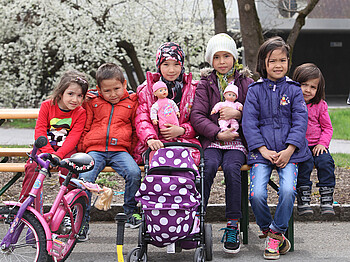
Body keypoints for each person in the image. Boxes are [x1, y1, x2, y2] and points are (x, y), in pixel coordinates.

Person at [242, 36, 312, 260]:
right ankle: (271, 231)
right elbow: (249, 123)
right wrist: (262, 150)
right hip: (260, 153)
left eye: (283, 60)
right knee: (257, 194)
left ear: (288, 62)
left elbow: (301, 121)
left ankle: (274, 235)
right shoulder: (254, 90)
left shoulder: (293, 90)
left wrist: (290, 149)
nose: (278, 65)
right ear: (263, 63)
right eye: (272, 61)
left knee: (288, 190)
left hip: (289, 153)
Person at [190, 33, 254, 254]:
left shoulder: (246, 82)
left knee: (232, 169)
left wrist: (239, 115)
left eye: (226, 56)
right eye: (217, 57)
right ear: (211, 60)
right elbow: (197, 116)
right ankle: (196, 219)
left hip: (237, 142)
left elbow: (256, 113)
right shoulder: (204, 84)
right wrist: (217, 133)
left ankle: (232, 224)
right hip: (213, 141)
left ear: (234, 57)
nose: (222, 61)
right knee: (206, 168)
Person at [78, 63, 141, 241]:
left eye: (116, 88)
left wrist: (134, 151)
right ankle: (82, 222)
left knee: (134, 172)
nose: (113, 94)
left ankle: (130, 212)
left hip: (120, 150)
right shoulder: (93, 103)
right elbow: (85, 125)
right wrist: (84, 147)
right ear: (99, 89)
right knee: (86, 179)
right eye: (107, 91)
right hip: (95, 150)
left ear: (124, 84)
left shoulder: (132, 102)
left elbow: (136, 129)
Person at [19, 70, 89, 202]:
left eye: (80, 95)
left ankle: (70, 206)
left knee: (70, 168)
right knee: (33, 166)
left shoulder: (80, 113)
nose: (75, 99)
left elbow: (73, 138)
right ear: (61, 92)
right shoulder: (47, 106)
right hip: (45, 148)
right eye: (70, 94)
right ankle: (24, 206)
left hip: (66, 150)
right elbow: (40, 131)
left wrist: (58, 156)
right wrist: (50, 154)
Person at [133, 42, 201, 164]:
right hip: (156, 142)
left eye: (176, 64)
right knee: (159, 160)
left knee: (187, 161)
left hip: (184, 141)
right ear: (159, 65)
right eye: (166, 64)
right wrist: (150, 138)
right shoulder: (147, 90)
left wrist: (183, 130)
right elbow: (142, 119)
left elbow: (199, 119)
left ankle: (184, 183)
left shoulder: (192, 89)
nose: (171, 70)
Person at [293, 63, 336, 216]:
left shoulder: (320, 105)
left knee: (326, 163)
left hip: (317, 145)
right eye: (303, 85)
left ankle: (326, 199)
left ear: (318, 90)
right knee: (305, 164)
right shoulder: (291, 104)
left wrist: (322, 144)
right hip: (299, 147)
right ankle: (303, 199)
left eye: (313, 87)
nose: (307, 90)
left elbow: (327, 128)